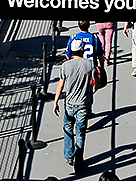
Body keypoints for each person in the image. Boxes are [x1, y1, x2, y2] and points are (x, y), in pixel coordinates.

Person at [52, 38, 95, 172]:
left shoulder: (65, 66)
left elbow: (60, 85)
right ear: (82, 50)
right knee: (80, 133)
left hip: (69, 104)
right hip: (83, 104)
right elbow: (96, 83)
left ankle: (69, 156)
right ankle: (79, 160)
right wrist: (90, 92)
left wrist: (55, 102)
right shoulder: (90, 64)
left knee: (68, 129)